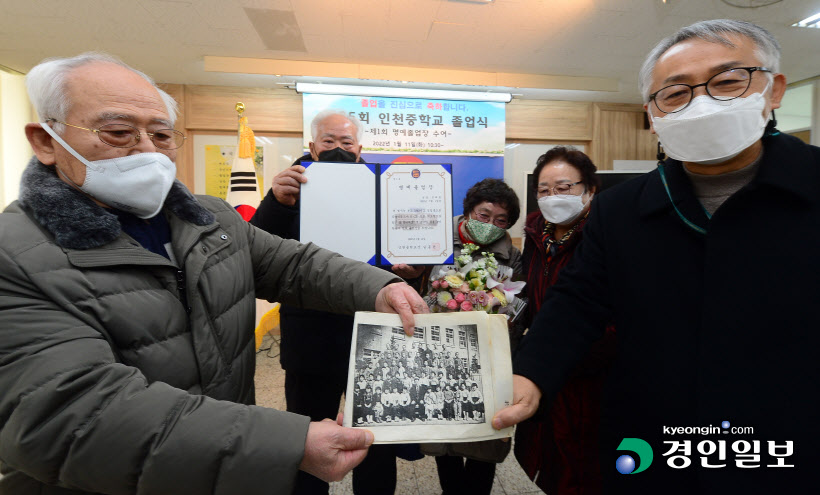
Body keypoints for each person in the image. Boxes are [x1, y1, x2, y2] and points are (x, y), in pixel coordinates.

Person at [0, 53, 430, 495]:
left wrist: (382, 287)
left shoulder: (209, 218)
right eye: (118, 132)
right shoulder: (14, 255)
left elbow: (292, 263)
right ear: (46, 140)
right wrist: (286, 443)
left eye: (162, 134)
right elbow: (70, 418)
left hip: (227, 469)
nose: (147, 149)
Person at [493, 20, 820, 494]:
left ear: (774, 89)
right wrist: (532, 373)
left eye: (728, 81)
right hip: (655, 439)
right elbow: (578, 301)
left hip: (788, 438)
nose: (702, 101)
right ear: (653, 112)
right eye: (675, 93)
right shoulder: (621, 207)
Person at [250, 108, 422, 494]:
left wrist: (407, 271)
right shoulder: (290, 186)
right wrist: (276, 201)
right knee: (309, 435)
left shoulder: (384, 186)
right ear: (312, 146)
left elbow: (400, 249)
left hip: (374, 332)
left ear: (360, 148)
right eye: (329, 141)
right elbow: (257, 252)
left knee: (376, 434)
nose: (338, 148)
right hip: (311, 333)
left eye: (346, 142)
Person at [513, 146, 616, 495]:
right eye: (544, 190)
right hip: (542, 369)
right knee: (546, 458)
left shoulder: (606, 238)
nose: (553, 196)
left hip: (592, 375)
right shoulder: (535, 236)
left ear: (589, 189)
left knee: (586, 464)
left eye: (564, 187)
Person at [421, 178, 522, 495]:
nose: (491, 224)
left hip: (489, 359)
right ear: (467, 213)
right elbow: (413, 293)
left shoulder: (513, 257)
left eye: (501, 220)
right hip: (440, 354)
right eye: (484, 215)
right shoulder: (433, 243)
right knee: (445, 434)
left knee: (487, 434)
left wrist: (499, 308)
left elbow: (521, 302)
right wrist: (440, 299)